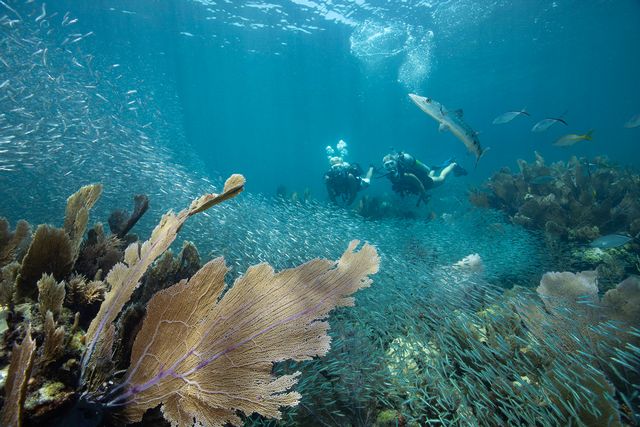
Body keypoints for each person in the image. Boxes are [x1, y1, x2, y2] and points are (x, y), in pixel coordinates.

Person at [381, 151, 466, 206]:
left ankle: (453, 165)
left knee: (442, 179)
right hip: (423, 179)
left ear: (396, 163)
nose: (390, 167)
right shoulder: (391, 176)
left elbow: (419, 184)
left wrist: (424, 196)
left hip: (426, 182)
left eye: (391, 163)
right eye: (387, 165)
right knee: (431, 175)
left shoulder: (406, 174)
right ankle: (433, 169)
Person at [324, 140, 374, 205]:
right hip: (341, 189)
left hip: (357, 186)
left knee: (367, 181)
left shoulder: (349, 176)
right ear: (331, 169)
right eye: (335, 168)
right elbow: (330, 194)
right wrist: (335, 205)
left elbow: (354, 193)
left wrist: (348, 204)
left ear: (343, 167)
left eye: (339, 167)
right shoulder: (328, 179)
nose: (338, 169)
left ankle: (371, 168)